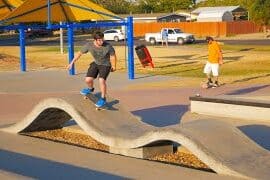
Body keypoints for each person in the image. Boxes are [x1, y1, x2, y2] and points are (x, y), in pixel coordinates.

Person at [67, 31, 117, 108]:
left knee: (101, 80)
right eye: (99, 40)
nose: (102, 41)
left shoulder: (108, 46)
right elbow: (79, 53)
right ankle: (90, 89)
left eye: (102, 39)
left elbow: (113, 56)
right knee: (88, 80)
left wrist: (114, 66)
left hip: (105, 65)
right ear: (95, 40)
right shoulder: (89, 45)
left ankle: (103, 98)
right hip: (96, 63)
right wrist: (71, 63)